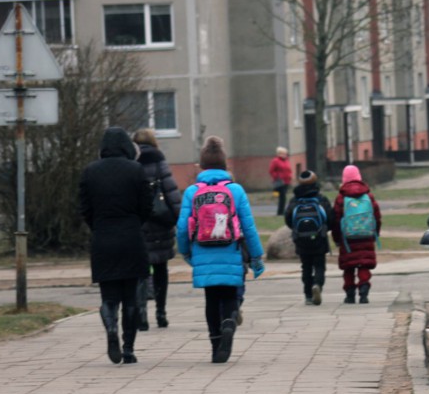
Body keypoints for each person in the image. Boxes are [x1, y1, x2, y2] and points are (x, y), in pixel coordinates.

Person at [177, 136, 265, 363]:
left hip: (203, 251)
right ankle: (229, 324)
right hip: (231, 250)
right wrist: (256, 256)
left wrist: (186, 252)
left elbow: (182, 228)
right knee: (228, 296)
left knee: (211, 299)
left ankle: (216, 344)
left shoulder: (191, 192)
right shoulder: (235, 190)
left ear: (202, 166)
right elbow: (249, 226)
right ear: (226, 165)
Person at [79, 127, 152, 365]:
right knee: (131, 298)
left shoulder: (90, 172)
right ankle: (129, 349)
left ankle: (111, 329)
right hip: (131, 237)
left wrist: (98, 226)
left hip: (103, 238)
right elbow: (146, 206)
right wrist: (135, 223)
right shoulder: (136, 170)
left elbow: (84, 208)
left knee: (109, 297)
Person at [132, 128, 182, 330]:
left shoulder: (131, 163)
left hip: (140, 223)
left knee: (141, 270)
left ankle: (142, 314)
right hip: (161, 222)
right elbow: (171, 190)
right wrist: (179, 216)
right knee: (161, 268)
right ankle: (161, 313)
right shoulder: (159, 160)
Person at [331, 165, 382, 304]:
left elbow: (335, 220)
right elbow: (376, 216)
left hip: (347, 238)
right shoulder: (368, 196)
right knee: (364, 264)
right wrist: (375, 233)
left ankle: (350, 294)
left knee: (349, 266)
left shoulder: (341, 198)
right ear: (359, 177)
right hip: (366, 235)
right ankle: (364, 288)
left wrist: (336, 238)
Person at [285, 170, 334, 306]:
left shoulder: (295, 200)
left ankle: (307, 295)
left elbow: (288, 219)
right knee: (319, 265)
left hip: (301, 240)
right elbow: (330, 218)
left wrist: (298, 230)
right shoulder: (321, 199)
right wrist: (324, 229)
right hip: (319, 238)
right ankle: (317, 285)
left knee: (306, 267)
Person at [269, 147, 293, 216]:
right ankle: (280, 212)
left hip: (286, 181)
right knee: (282, 197)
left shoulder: (286, 160)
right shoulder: (275, 161)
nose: (285, 155)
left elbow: (288, 170)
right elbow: (271, 171)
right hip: (280, 182)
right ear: (279, 154)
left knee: (283, 197)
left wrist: (290, 176)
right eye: (283, 153)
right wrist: (277, 177)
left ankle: (281, 211)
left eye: (285, 153)